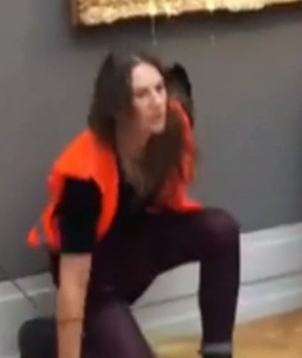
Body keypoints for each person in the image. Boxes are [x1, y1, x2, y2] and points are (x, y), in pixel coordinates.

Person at [26, 52, 241, 358]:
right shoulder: (83, 179)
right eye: (142, 94)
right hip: (95, 280)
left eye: (159, 88)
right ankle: (42, 340)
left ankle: (218, 353)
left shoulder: (170, 126)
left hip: (137, 248)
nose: (158, 101)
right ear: (117, 109)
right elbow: (73, 285)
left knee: (220, 228)